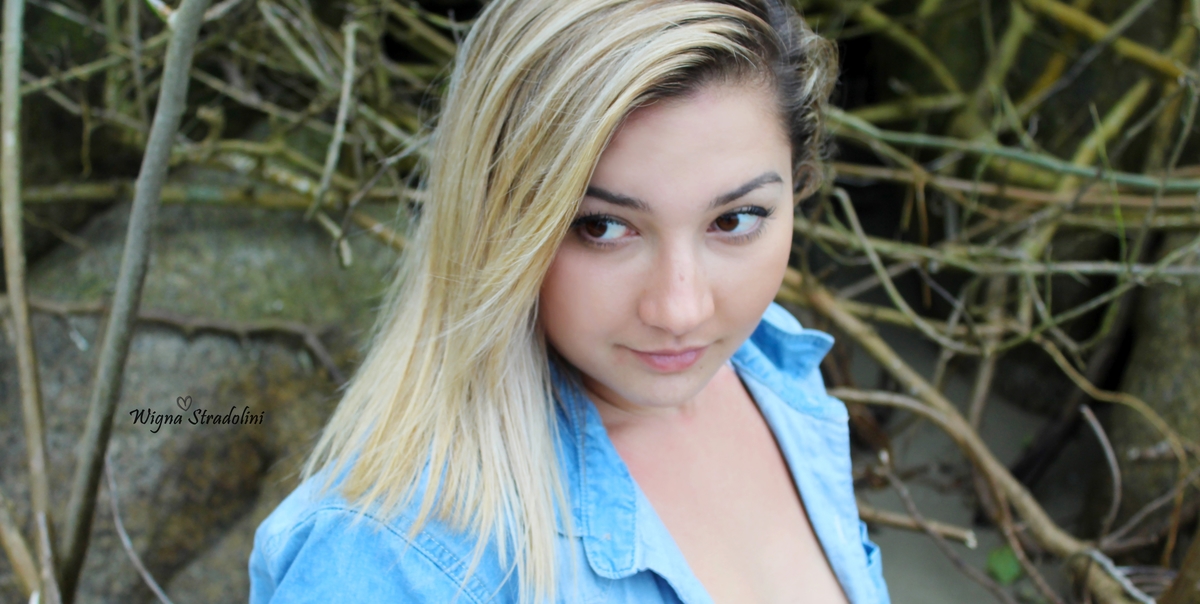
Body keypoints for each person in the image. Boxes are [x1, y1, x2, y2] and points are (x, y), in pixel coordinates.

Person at [248, 0, 890, 602]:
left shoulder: (771, 366)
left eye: (735, 220)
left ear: (798, 185)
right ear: (496, 221)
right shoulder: (395, 559)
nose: (680, 312)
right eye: (602, 227)